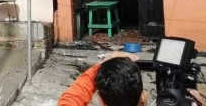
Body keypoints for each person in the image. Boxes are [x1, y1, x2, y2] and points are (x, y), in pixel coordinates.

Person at [58, 51, 206, 106]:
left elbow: (71, 98)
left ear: (102, 101)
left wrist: (101, 66)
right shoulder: (143, 99)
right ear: (143, 97)